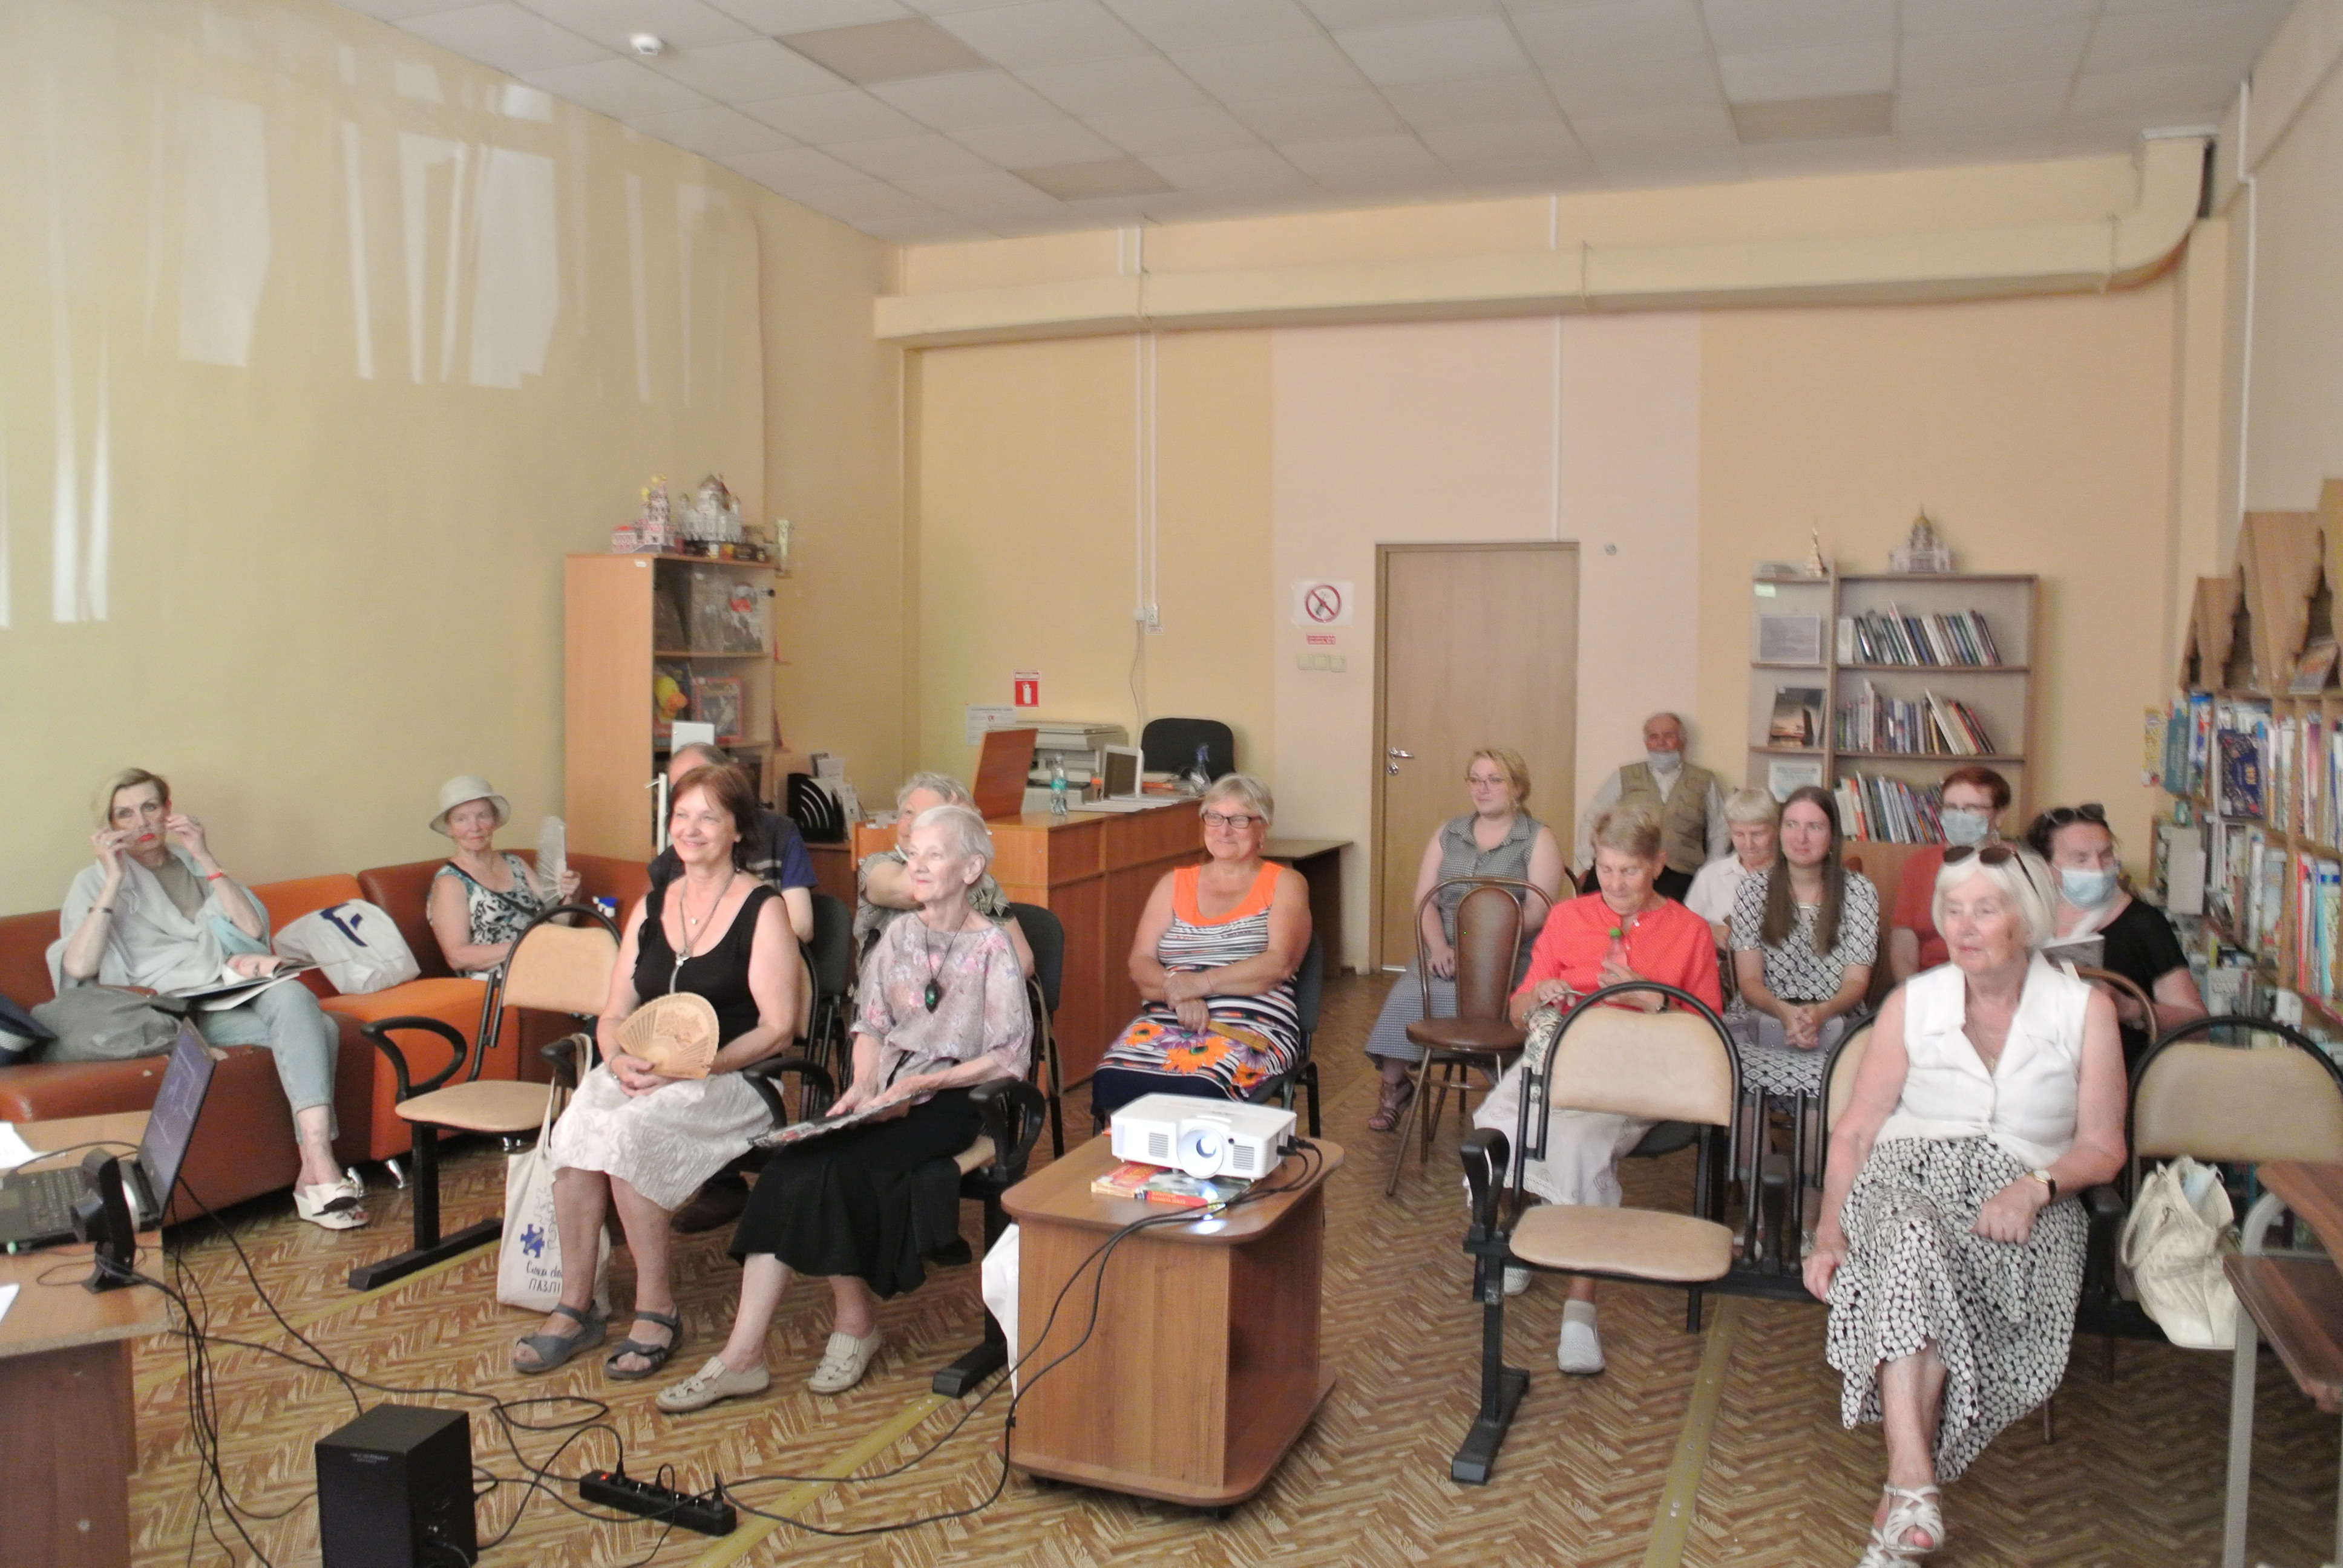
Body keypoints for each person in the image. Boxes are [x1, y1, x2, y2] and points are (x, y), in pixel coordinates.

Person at [1806, 844, 2125, 1564]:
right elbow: (1854, 1131)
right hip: (1905, 1180)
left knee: (1924, 1269)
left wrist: (2034, 1186)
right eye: (1952, 910)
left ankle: (1902, 1503)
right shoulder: (1912, 1003)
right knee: (1910, 1237)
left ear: (2027, 919)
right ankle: (1911, 1484)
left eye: (1984, 909)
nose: (1964, 926)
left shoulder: (2084, 1010)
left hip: (2020, 1202)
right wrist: (1827, 1231)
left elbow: (2103, 1148)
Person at [655, 805, 1030, 1410]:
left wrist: (919, 1086)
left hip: (956, 1100)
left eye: (934, 855)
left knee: (834, 1171)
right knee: (789, 1167)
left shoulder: (991, 946)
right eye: (913, 853)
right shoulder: (899, 936)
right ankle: (742, 1357)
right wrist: (863, 1087)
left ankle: (854, 1325)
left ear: (971, 869)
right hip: (885, 1092)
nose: (917, 865)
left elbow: (1009, 1057)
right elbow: (871, 1025)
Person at [513, 764, 799, 1381]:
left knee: (628, 1135)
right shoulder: (650, 906)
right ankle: (576, 1303)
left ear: (737, 830)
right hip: (643, 1069)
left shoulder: (762, 908)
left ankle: (657, 1306)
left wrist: (698, 1067)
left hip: (734, 1077)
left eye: (708, 817)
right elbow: (614, 1012)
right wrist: (616, 1057)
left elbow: (779, 1028)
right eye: (681, 816)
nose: (690, 829)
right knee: (576, 1128)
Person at [50, 769, 367, 1229]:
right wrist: (113, 878)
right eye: (125, 814)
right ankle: (317, 1175)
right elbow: (79, 967)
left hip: (227, 990)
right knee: (322, 1027)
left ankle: (316, 1160)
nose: (141, 822)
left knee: (294, 996)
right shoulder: (94, 880)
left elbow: (251, 930)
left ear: (167, 809)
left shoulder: (192, 864)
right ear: (110, 826)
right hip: (172, 1012)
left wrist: (204, 854)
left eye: (150, 807)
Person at [1473, 800, 1723, 1374]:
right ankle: (1522, 1237)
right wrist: (1536, 997)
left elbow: (1710, 1033)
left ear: (1657, 864)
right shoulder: (1569, 917)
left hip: (1640, 1073)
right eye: (1606, 869)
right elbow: (1517, 1012)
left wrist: (1653, 998)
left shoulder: (1688, 931)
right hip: (1562, 1061)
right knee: (1494, 1128)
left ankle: (1580, 1311)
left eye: (1630, 871)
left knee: (1579, 1145)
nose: (1616, 884)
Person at [1361, 748, 1567, 1133]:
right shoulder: (1449, 832)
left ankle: (1508, 1088)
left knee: (1499, 1006)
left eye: (1494, 780)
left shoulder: (1538, 837)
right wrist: (1439, 947)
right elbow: (1426, 901)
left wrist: (1483, 949)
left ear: (1517, 787)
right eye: (1475, 779)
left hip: (1510, 956)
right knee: (1407, 996)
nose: (1482, 788)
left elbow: (1539, 912)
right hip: (1447, 952)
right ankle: (1394, 1087)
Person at [1089, 774, 1311, 1118]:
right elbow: (1140, 962)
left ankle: (1208, 1154)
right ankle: (1139, 1156)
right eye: (1215, 817)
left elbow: (1279, 964)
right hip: (1170, 1017)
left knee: (1201, 1085)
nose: (1224, 830)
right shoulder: (1173, 883)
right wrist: (1180, 992)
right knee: (1113, 1077)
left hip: (1252, 1026)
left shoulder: (1286, 883)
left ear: (1263, 828)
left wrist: (1201, 984)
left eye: (1239, 820)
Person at [2025, 803, 2207, 1071]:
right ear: (2046, 867)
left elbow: (2197, 1025)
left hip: (2121, 1072)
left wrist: (2129, 1008)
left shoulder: (2143, 923)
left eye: (2106, 855)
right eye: (2081, 859)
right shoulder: (2025, 919)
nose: (2098, 868)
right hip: (2037, 1071)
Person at [1729, 786, 1879, 1087]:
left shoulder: (1860, 891)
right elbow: (1749, 982)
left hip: (1837, 1016)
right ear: (1780, 831)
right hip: (1763, 1013)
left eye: (1815, 827)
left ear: (1832, 836)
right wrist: (1784, 1012)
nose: (1801, 838)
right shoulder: (1752, 890)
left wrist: (1821, 1013)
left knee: (1840, 1072)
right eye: (1792, 825)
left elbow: (1856, 983)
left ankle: (1814, 1119)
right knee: (1734, 1068)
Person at [856, 773, 1034, 977]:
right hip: (889, 993)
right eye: (909, 812)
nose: (913, 824)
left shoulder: (981, 882)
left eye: (928, 815)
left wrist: (973, 990)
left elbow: (1023, 960)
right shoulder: (877, 865)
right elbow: (913, 891)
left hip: (971, 991)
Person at [650, 743, 814, 943]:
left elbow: (801, 927)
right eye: (680, 788)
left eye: (700, 778)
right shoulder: (668, 863)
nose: (691, 830)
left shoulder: (781, 833)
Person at [425, 775, 581, 978]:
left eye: (483, 816)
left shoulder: (516, 864)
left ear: (495, 820)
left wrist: (571, 892)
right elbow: (457, 957)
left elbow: (561, 920)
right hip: (499, 980)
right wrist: (529, 944)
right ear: (450, 828)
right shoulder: (450, 882)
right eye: (461, 819)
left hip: (546, 962)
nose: (475, 827)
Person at [1574, 713, 1728, 901]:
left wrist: (1710, 875)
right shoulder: (1624, 776)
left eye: (1669, 736)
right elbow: (1593, 818)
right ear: (1646, 742)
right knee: (1593, 903)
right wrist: (1590, 863)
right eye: (1654, 737)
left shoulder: (1705, 780)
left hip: (1680, 874)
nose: (1661, 742)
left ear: (1682, 741)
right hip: (1626, 866)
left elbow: (1720, 831)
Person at [1887, 766, 2012, 982]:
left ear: (1999, 815)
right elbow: (1903, 949)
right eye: (1952, 807)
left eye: (1973, 808)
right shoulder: (1919, 865)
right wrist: (1913, 995)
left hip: (1997, 984)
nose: (1960, 816)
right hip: (1929, 985)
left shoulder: (2016, 866)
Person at [1686, 789, 1781, 948]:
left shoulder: (1792, 875)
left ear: (1777, 829)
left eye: (1757, 834)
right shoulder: (1711, 875)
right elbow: (1686, 928)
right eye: (1739, 834)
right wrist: (1710, 931)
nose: (1749, 845)